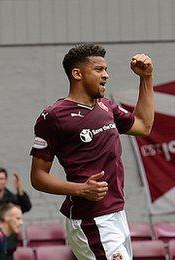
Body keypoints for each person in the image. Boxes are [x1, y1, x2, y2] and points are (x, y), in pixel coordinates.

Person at [30, 43, 154, 260]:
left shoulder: (106, 106)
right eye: (98, 69)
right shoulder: (54, 117)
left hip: (116, 213)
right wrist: (80, 189)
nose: (105, 75)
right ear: (77, 74)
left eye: (105, 69)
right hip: (91, 219)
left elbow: (143, 126)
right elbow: (38, 177)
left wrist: (146, 78)